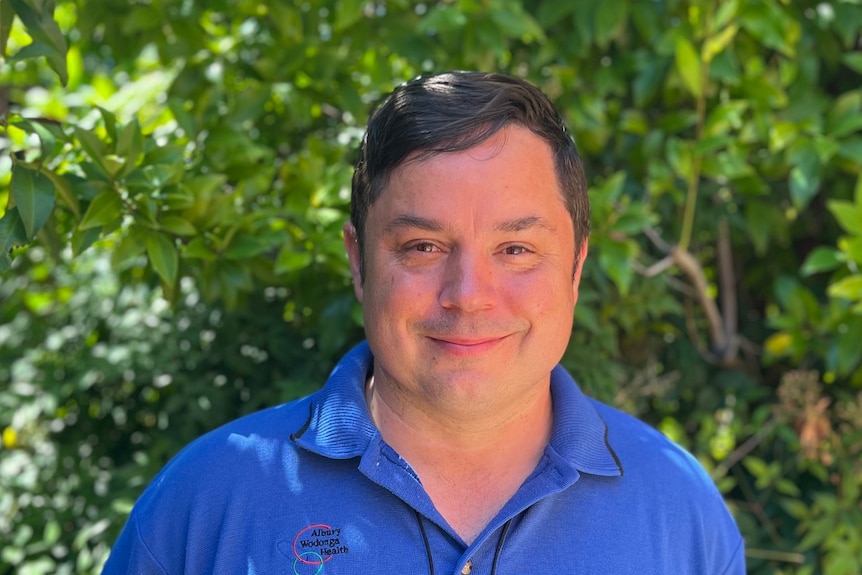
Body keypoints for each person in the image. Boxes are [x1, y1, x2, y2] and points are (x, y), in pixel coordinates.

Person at [102, 71, 745, 574]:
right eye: (422, 248)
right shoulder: (206, 503)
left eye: (515, 249)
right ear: (358, 263)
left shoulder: (681, 511)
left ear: (575, 267)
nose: (468, 296)